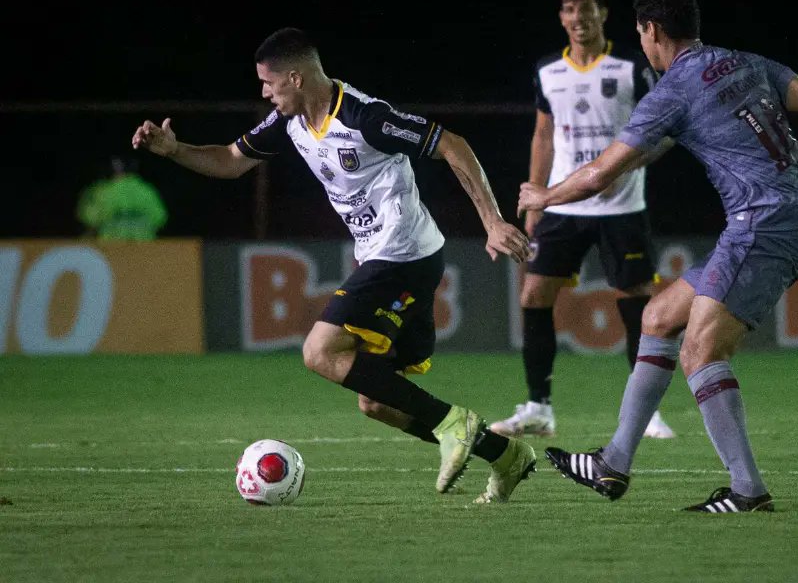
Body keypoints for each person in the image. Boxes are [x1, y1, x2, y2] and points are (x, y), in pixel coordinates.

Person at [519, 0, 798, 513]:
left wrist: (544, 194)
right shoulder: (741, 62)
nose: (645, 45)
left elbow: (595, 177)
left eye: (643, 35)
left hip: (762, 225)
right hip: (792, 217)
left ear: (652, 31)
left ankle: (747, 490)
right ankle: (614, 462)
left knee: (701, 350)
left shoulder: (672, 91)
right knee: (658, 316)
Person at [132, 27, 536, 504]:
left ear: (296, 77)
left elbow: (452, 144)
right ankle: (506, 456)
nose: (263, 93)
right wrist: (174, 150)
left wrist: (491, 221)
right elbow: (230, 161)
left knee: (319, 351)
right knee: (377, 402)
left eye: (269, 83)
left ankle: (456, 425)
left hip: (403, 253)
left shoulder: (366, 118)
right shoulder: (288, 122)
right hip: (396, 258)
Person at [490, 0, 676, 440]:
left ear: (603, 14)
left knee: (636, 304)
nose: (578, 19)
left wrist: (633, 161)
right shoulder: (548, 70)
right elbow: (543, 135)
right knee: (534, 296)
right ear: (561, 17)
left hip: (622, 207)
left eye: (586, 9)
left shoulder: (631, 65)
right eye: (570, 10)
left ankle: (646, 412)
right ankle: (538, 408)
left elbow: (668, 127)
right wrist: (534, 201)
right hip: (563, 205)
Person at [76, 156, 168, 240]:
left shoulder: (101, 191)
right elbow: (160, 218)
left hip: (111, 248)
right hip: (144, 248)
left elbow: (89, 219)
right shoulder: (147, 190)